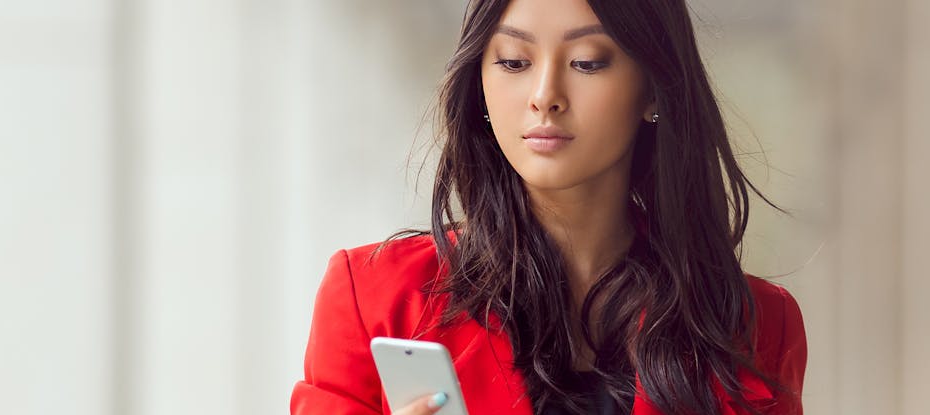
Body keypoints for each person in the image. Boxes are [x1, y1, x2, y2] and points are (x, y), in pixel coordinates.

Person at [288, 0, 806, 414]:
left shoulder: (755, 324)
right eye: (514, 61)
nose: (544, 95)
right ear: (480, 84)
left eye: (587, 63)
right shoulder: (374, 299)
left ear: (652, 89)